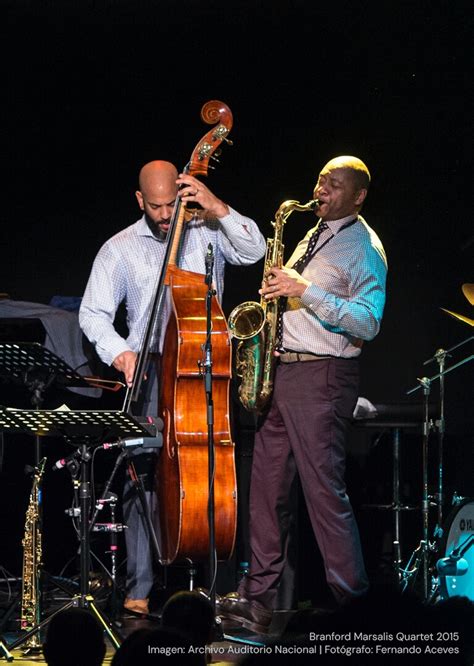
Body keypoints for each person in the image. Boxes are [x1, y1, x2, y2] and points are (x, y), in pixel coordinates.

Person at [79, 160, 266, 615]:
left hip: (204, 365)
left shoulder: (207, 229)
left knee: (214, 469)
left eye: (172, 204)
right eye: (157, 206)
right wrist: (119, 351)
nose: (166, 215)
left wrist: (217, 206)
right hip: (147, 368)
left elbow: (254, 251)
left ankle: (216, 579)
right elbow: (93, 313)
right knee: (141, 474)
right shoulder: (119, 248)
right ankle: (141, 586)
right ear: (140, 200)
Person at [218, 155, 388, 634]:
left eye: (333, 185)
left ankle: (356, 608)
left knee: (322, 494)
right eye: (320, 180)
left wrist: (304, 289)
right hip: (284, 373)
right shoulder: (311, 234)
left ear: (358, 196)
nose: (321, 190)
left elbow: (368, 322)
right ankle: (257, 598)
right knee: (267, 490)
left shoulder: (364, 247)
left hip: (323, 377)